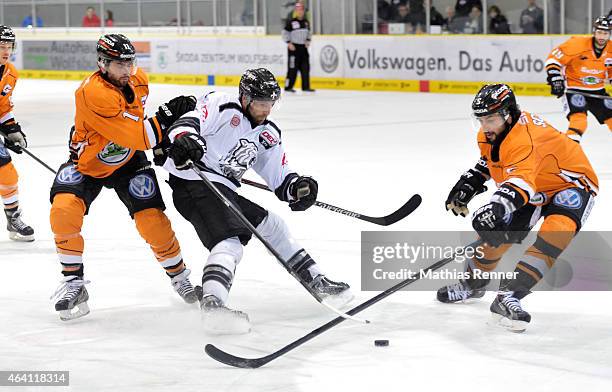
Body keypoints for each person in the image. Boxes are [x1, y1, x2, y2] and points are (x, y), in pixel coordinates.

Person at [159, 68, 351, 334]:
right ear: (245, 97)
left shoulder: (268, 133)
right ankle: (213, 305)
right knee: (228, 243)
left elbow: (280, 177)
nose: (266, 110)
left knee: (275, 226)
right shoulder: (222, 105)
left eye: (271, 103)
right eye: (261, 103)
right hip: (194, 180)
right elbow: (189, 123)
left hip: (224, 189)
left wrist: (298, 187)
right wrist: (185, 140)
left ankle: (317, 281)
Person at [49, 34, 198, 321]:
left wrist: (165, 142)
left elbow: (139, 123)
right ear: (102, 64)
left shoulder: (138, 79)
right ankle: (73, 284)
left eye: (130, 62)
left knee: (152, 219)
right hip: (89, 163)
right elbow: (138, 134)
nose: (127, 71)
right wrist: (166, 117)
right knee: (63, 210)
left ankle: (180, 277)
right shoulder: (93, 93)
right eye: (120, 65)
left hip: (128, 160)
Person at [440, 84, 598, 332]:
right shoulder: (492, 132)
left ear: (508, 114)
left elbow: (521, 182)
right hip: (536, 185)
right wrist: (472, 179)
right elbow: (495, 160)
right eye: (481, 119)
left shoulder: (526, 137)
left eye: (490, 119)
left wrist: (495, 207)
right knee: (494, 239)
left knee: (554, 237)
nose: (485, 126)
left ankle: (508, 296)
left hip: (570, 184)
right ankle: (473, 284)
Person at [545, 16, 612, 143]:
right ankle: (567, 153)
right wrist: (555, 78)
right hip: (574, 89)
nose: (602, 37)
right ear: (594, 31)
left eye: (605, 33)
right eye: (599, 32)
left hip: (598, 90)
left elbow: (610, 71)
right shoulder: (577, 43)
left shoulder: (611, 49)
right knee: (579, 122)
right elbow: (553, 59)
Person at [0, 26, 34, 242]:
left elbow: (2, 108)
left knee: (8, 174)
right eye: (1, 46)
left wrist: (12, 129)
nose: (6, 50)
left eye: (9, 46)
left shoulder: (11, 73)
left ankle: (13, 218)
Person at [282, 2, 314, 93]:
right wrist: (288, 42)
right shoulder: (291, 22)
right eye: (298, 10)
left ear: (303, 11)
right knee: (292, 69)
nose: (300, 12)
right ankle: (288, 87)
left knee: (305, 68)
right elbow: (284, 33)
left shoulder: (306, 22)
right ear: (295, 11)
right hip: (294, 49)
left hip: (303, 48)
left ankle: (306, 87)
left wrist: (308, 41)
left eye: (301, 10)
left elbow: (309, 33)